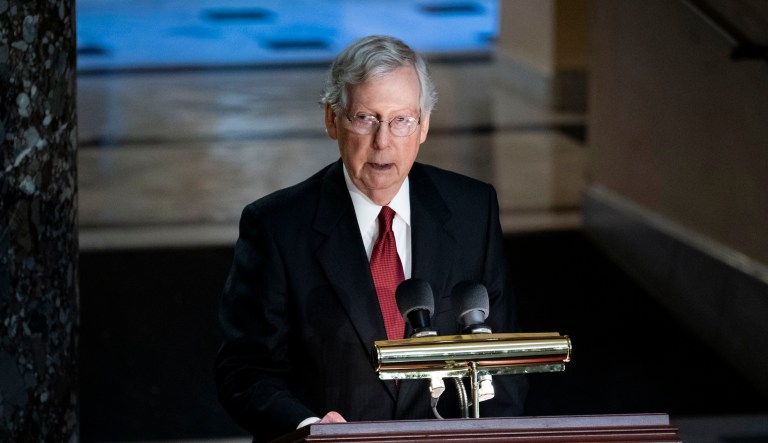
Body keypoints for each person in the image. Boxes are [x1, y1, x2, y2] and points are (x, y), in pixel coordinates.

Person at [214, 35, 527, 442]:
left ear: (424, 125)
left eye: (402, 120)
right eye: (365, 118)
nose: (384, 141)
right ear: (332, 119)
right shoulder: (275, 226)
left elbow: (499, 360)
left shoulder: (473, 210)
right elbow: (244, 371)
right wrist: (310, 431)